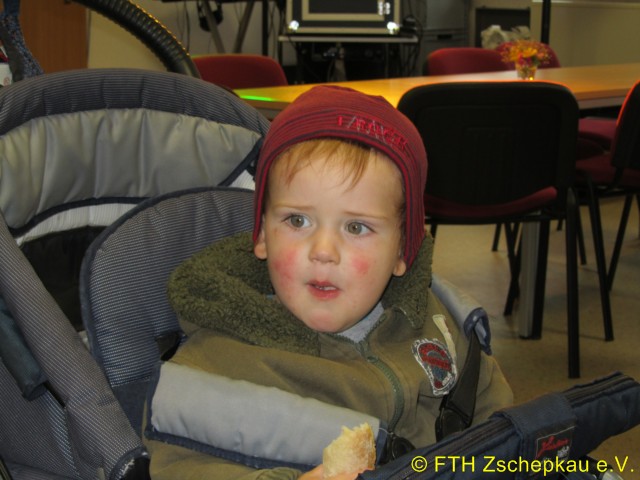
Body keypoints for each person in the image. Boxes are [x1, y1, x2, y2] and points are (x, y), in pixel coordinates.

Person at [143, 85, 513, 479]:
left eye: (356, 227)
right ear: (263, 235)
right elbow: (179, 468)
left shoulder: (434, 323)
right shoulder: (215, 362)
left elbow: (494, 412)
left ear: (402, 249)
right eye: (297, 220)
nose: (323, 251)